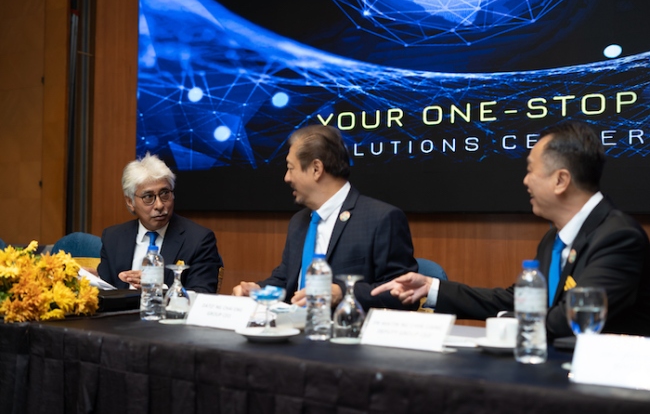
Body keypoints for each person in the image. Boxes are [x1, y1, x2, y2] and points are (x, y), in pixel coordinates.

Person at [372, 121, 650, 340]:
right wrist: (432, 287)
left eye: (530, 170)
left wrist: (504, 323)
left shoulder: (618, 238)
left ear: (560, 180)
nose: (525, 181)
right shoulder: (554, 239)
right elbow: (517, 300)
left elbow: (571, 319)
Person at [232, 125, 418, 311]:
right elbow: (285, 278)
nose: (286, 178)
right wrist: (258, 291)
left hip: (346, 326)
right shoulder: (299, 221)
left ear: (316, 169)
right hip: (292, 325)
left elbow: (403, 292)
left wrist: (342, 293)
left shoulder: (381, 219)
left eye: (290, 168)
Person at [97, 153, 223, 293]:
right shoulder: (113, 237)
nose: (159, 205)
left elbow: (202, 294)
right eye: (148, 197)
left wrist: (158, 288)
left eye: (164, 194)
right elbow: (105, 290)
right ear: (130, 202)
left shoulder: (198, 240)